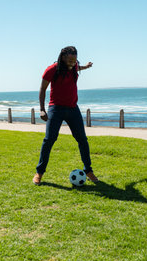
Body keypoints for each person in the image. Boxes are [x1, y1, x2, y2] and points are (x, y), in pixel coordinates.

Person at [33, 46, 98, 185]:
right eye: (70, 61)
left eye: (74, 61)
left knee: (82, 139)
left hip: (73, 109)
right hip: (56, 109)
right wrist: (42, 109)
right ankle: (39, 172)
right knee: (49, 139)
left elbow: (77, 67)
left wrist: (85, 67)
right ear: (63, 58)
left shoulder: (74, 67)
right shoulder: (52, 69)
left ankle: (88, 170)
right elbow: (42, 89)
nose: (72, 64)